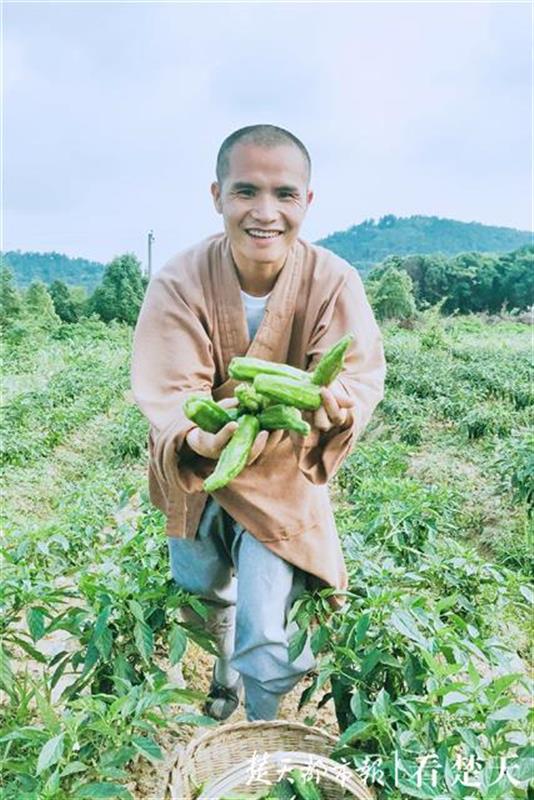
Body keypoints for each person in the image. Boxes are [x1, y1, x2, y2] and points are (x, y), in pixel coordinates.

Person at [131, 124, 386, 723]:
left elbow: (355, 373)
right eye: (246, 191)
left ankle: (263, 731)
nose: (265, 212)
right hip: (199, 468)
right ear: (217, 195)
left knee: (268, 632)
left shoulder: (333, 280)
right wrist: (198, 436)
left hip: (282, 476)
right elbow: (173, 391)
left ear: (307, 201)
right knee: (202, 592)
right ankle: (221, 675)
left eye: (284, 194)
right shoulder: (179, 279)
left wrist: (335, 402)